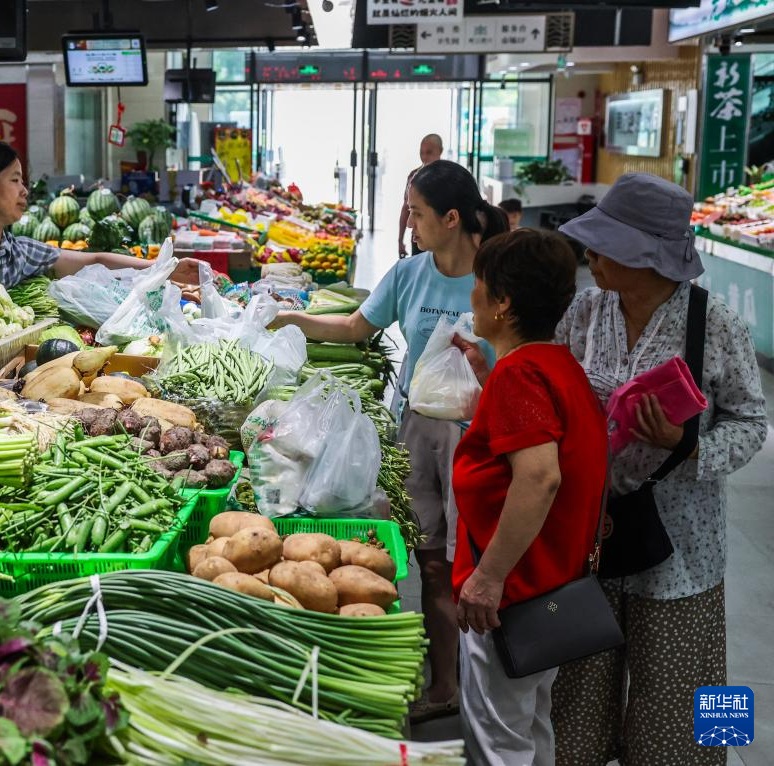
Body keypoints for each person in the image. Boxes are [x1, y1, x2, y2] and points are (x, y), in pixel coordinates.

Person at [272, 159, 509, 722]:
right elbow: (357, 326)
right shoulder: (409, 274)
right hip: (415, 432)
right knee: (428, 564)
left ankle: (490, 692)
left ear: (452, 218)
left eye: (418, 211)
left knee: (472, 568)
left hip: (480, 438)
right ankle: (444, 685)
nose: (409, 220)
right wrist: (293, 320)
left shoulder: (498, 275)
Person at [543, 174, 767, 765]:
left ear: (646, 256)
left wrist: (686, 444)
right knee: (574, 711)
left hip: (685, 549)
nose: (590, 254)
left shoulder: (714, 323)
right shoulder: (587, 312)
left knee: (691, 715)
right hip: (590, 539)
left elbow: (751, 422)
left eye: (605, 243)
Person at [451, 229, 608, 765]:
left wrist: (488, 577)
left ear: (502, 303)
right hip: (551, 589)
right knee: (531, 728)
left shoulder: (521, 376)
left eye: (478, 284)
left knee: (499, 741)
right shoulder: (557, 366)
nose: (470, 296)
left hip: (512, 597)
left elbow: (539, 477)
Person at [0, 141, 200, 312]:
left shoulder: (16, 251)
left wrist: (165, 268)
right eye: (14, 181)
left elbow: (94, 260)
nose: (24, 191)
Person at [399, 133, 444, 258]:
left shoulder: (448, 178)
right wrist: (400, 240)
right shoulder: (414, 176)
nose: (424, 157)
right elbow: (406, 209)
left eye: (429, 152)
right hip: (419, 238)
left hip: (442, 241)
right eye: (421, 152)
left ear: (440, 151)